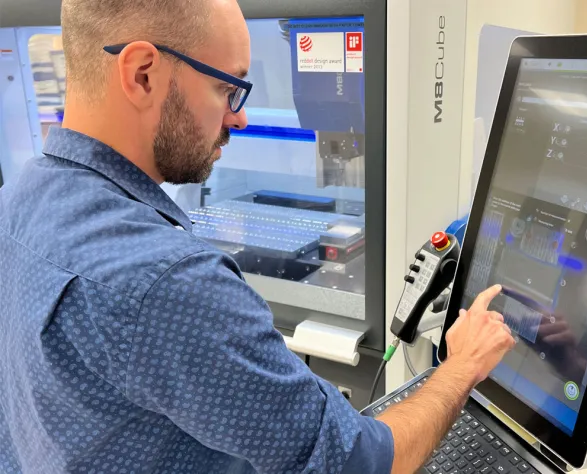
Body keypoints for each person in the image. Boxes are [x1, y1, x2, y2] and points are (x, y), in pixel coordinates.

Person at [0, 0, 517, 473]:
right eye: (227, 88)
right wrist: (463, 366)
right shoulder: (169, 283)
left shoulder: (21, 198)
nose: (241, 118)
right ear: (141, 73)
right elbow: (359, 463)